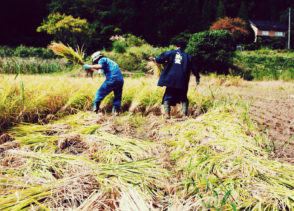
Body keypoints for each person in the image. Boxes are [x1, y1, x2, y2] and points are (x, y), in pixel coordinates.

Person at [149, 41, 200, 119]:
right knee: (183, 96)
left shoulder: (171, 53)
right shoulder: (188, 56)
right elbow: (194, 68)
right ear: (184, 48)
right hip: (182, 80)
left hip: (171, 79)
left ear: (176, 47)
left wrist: (155, 59)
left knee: (168, 95)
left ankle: (167, 114)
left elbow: (160, 59)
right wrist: (197, 77)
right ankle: (184, 114)